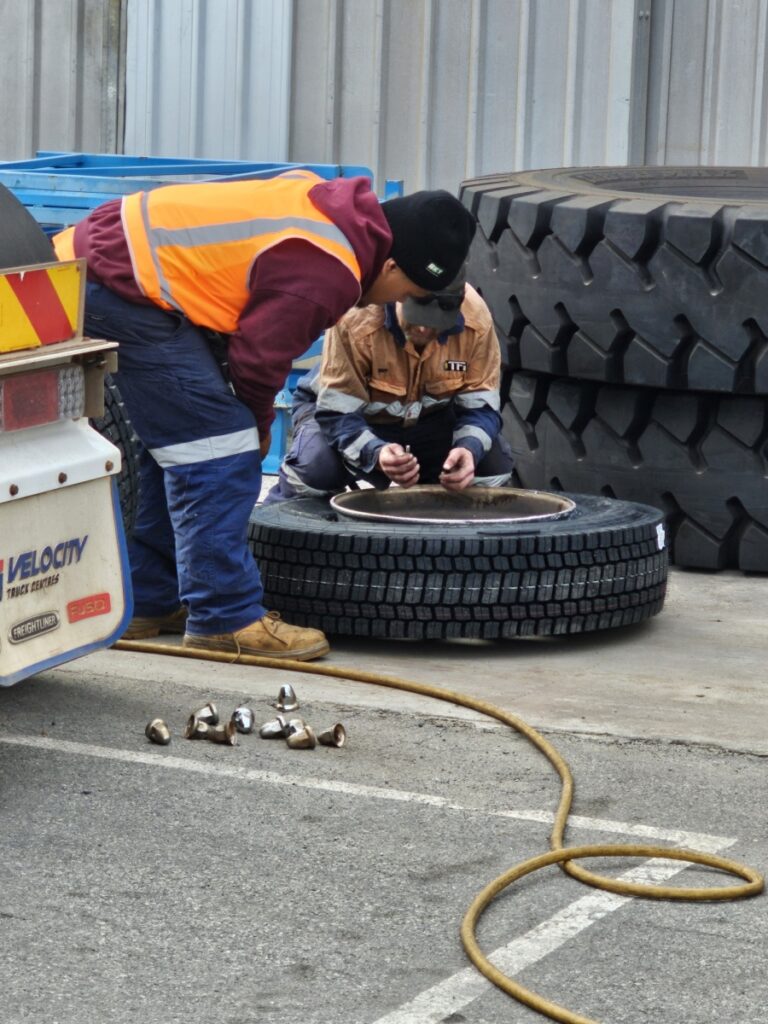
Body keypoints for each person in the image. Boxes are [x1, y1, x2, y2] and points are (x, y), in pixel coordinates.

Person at [53, 172, 476, 660]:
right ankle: (224, 616)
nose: (398, 302)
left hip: (108, 266)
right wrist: (254, 428)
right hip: (115, 280)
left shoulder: (334, 212)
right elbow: (258, 360)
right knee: (219, 445)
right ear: (392, 265)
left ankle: (151, 597)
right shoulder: (330, 269)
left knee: (182, 443)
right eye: (406, 291)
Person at [264, 264, 513, 503]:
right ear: (400, 295)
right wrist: (376, 453)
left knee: (492, 466)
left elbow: (481, 407)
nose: (425, 329)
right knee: (316, 468)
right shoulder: (357, 316)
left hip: (431, 422)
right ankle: (280, 529)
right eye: (417, 319)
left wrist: (468, 450)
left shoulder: (476, 320)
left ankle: (448, 532)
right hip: (340, 416)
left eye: (435, 323)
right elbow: (336, 413)